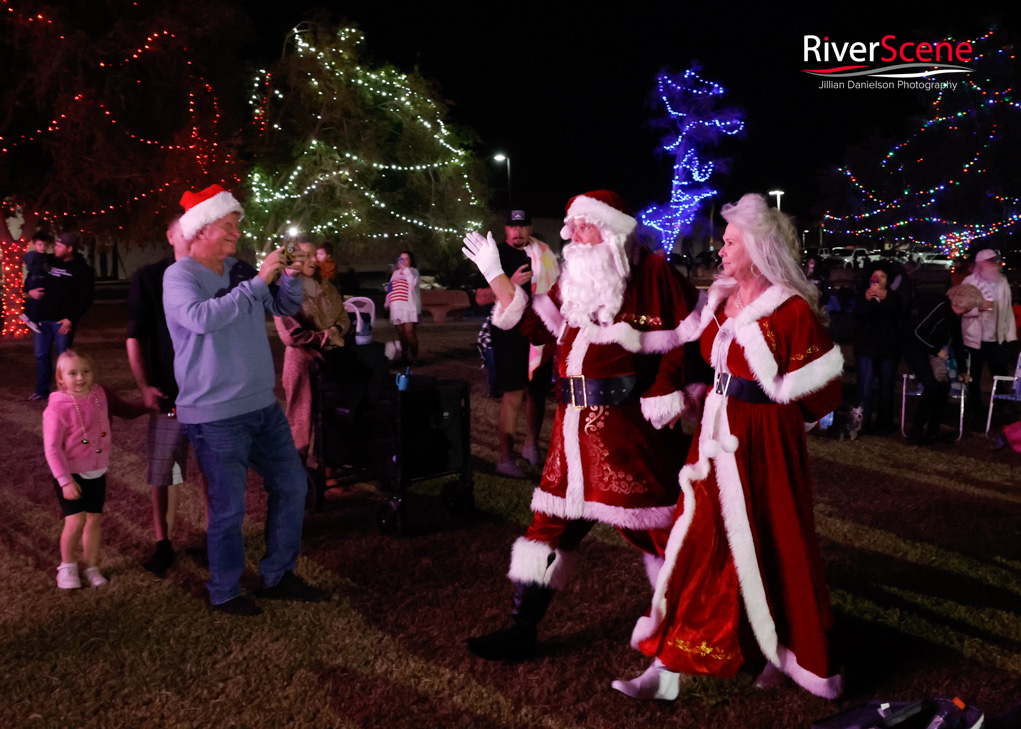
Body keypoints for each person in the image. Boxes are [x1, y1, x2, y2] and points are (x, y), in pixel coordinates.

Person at [614, 193, 844, 701]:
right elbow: (694, 354)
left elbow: (823, 387)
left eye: (730, 242)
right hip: (713, 439)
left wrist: (776, 407)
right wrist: (687, 390)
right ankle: (668, 661)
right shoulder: (719, 297)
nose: (720, 250)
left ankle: (777, 651)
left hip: (763, 441)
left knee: (770, 540)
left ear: (758, 249)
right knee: (696, 542)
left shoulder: (788, 309)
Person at [461, 189, 699, 662]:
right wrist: (495, 276)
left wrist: (667, 390)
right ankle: (520, 629)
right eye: (572, 227)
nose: (574, 235)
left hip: (629, 436)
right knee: (546, 529)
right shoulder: (575, 278)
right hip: (571, 439)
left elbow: (687, 337)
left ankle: (692, 626)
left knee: (658, 531)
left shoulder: (652, 272)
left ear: (611, 229)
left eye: (584, 226)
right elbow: (533, 323)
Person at [163, 184, 326, 616]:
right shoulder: (179, 276)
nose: (237, 233)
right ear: (200, 230)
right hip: (215, 414)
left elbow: (282, 306)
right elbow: (202, 319)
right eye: (229, 225)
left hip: (262, 406)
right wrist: (256, 282)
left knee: (292, 484)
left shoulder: (239, 268)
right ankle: (224, 589)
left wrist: (288, 277)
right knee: (229, 508)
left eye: (237, 225)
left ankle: (278, 575)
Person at [126, 214, 208, 577]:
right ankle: (164, 543)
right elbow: (134, 336)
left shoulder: (209, 275)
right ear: (170, 236)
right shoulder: (149, 279)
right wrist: (144, 386)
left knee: (213, 469)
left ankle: (214, 536)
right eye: (183, 232)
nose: (190, 238)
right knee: (164, 471)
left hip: (208, 394)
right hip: (170, 398)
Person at [43, 350, 148, 588]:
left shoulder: (101, 395)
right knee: (76, 521)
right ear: (61, 379)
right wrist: (65, 480)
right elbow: (52, 448)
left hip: (97, 472)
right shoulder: (57, 408)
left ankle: (92, 566)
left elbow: (127, 410)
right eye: (72, 373)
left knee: (94, 521)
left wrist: (151, 405)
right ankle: (67, 567)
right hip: (71, 474)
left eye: (86, 372)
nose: (80, 378)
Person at [476, 209, 560, 477]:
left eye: (523, 226)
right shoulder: (495, 255)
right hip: (509, 334)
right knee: (513, 395)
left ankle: (531, 446)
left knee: (537, 393)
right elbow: (480, 298)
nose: (518, 232)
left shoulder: (544, 253)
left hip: (540, 330)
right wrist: (508, 284)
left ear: (530, 227)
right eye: (513, 227)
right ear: (505, 229)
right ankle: (505, 458)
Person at [274, 239, 351, 469]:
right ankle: (296, 471)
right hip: (302, 363)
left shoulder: (325, 286)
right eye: (304, 256)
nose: (312, 260)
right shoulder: (283, 291)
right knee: (300, 418)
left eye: (312, 255)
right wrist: (326, 337)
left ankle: (327, 464)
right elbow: (290, 335)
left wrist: (337, 329)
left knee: (329, 414)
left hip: (331, 360)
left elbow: (343, 317)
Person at [902, 284, 983, 443]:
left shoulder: (954, 316)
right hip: (914, 348)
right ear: (962, 304)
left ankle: (933, 430)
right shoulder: (941, 308)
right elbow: (917, 332)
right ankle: (916, 431)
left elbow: (958, 343)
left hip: (930, 351)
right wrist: (935, 350)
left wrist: (962, 370)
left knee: (942, 387)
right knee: (931, 386)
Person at [26, 231, 95, 401]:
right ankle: (42, 390)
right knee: (41, 355)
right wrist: (29, 291)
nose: (55, 248)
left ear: (70, 249)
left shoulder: (83, 270)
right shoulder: (50, 262)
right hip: (42, 320)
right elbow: (31, 266)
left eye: (59, 246)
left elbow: (86, 299)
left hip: (62, 322)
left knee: (65, 358)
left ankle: (66, 391)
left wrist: (71, 319)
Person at [962, 249, 1016, 423]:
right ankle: (975, 408)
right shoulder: (969, 282)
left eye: (996, 261)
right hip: (974, 338)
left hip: (995, 337)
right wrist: (978, 308)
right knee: (974, 374)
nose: (996, 265)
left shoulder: (1002, 281)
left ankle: (1001, 405)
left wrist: (1010, 334)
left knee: (999, 372)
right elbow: (960, 308)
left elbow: (1007, 310)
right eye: (991, 262)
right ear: (982, 264)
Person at [853, 262, 902, 434]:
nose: (878, 280)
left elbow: (897, 316)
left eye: (882, 276)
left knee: (886, 387)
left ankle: (884, 424)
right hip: (866, 347)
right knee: (865, 386)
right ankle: (862, 423)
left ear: (888, 280)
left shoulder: (894, 297)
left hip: (888, 348)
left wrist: (884, 299)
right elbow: (858, 316)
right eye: (875, 276)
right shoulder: (861, 295)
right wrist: (867, 300)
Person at [384, 251, 422, 366]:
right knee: (401, 334)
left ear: (410, 260)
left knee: (409, 332)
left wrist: (405, 269)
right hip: (396, 307)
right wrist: (387, 302)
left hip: (409, 307)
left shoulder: (413, 271)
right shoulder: (395, 273)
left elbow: (412, 284)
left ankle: (415, 358)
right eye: (401, 258)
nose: (403, 261)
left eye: (406, 258)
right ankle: (404, 357)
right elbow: (390, 288)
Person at [20, 232, 53, 334]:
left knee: (42, 298)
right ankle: (32, 319)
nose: (43, 247)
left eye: (45, 245)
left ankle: (31, 317)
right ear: (34, 245)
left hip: (43, 279)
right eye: (40, 245)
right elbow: (31, 267)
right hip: (35, 279)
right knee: (37, 298)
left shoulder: (47, 257)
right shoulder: (32, 255)